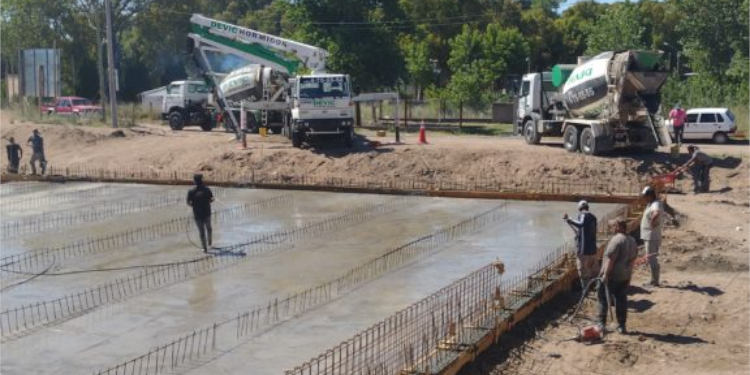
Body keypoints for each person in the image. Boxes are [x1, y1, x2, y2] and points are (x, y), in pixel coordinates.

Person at [598, 218, 638, 334]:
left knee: (603, 297)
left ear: (619, 227)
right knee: (621, 300)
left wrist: (605, 275)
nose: (612, 229)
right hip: (624, 276)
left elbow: (611, 260)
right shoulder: (632, 240)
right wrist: (629, 277)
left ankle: (601, 324)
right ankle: (621, 325)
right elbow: (632, 262)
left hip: (612, 276)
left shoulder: (616, 240)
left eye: (614, 226)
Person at [563, 200, 598, 290]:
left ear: (580, 208)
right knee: (593, 273)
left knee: (583, 273)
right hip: (593, 250)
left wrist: (570, 220)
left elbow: (581, 224)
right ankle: (596, 289)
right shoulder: (593, 217)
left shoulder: (583, 215)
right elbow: (580, 232)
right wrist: (569, 221)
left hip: (583, 251)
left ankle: (586, 292)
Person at [640, 186, 663, 287]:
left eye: (645, 196)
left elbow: (656, 213)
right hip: (649, 236)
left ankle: (654, 281)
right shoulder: (651, 204)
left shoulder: (655, 204)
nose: (644, 198)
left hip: (651, 236)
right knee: (651, 258)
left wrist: (652, 223)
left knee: (651, 258)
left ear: (650, 195)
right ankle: (654, 280)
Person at [187, 173, 214, 253]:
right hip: (207, 213)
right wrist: (209, 201)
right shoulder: (207, 189)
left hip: (197, 214)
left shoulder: (191, 191)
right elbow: (211, 199)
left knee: (201, 232)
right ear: (201, 180)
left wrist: (193, 205)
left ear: (195, 181)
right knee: (209, 229)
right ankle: (209, 243)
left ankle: (204, 248)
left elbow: (188, 202)